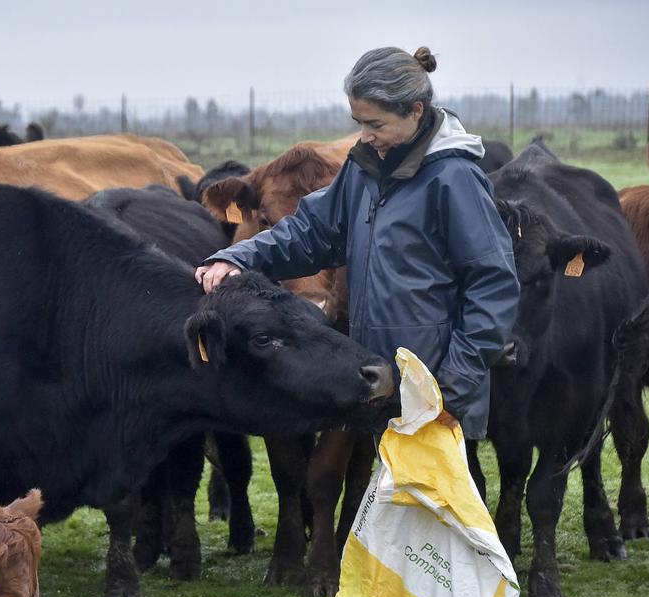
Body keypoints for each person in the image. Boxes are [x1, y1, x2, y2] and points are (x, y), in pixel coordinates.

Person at [195, 46, 520, 440]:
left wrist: (452, 387)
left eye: (376, 125)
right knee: (393, 496)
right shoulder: (363, 168)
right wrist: (239, 257)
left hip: (434, 393)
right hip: (381, 383)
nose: (365, 136)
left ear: (416, 111)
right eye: (359, 122)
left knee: (438, 498)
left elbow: (493, 285)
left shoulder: (454, 179)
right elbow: (311, 232)